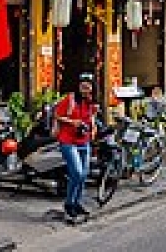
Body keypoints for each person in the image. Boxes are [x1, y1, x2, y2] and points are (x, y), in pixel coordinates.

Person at [54, 73, 98, 222]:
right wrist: (73, 122)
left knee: (84, 175)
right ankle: (69, 204)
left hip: (84, 141)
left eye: (88, 87)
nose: (85, 89)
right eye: (82, 86)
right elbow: (58, 115)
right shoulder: (70, 99)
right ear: (78, 86)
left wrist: (93, 128)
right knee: (77, 173)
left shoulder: (90, 101)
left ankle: (77, 203)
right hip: (68, 141)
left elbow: (91, 116)